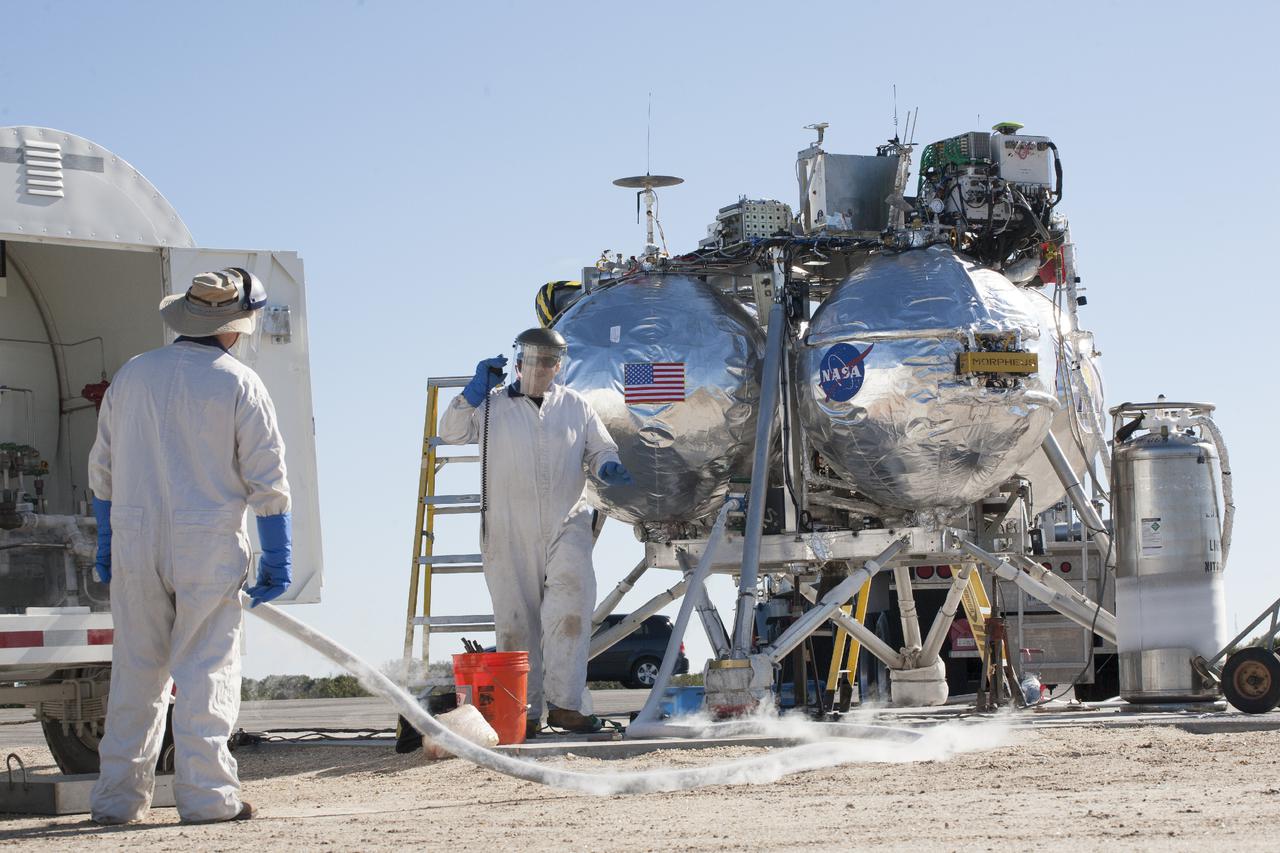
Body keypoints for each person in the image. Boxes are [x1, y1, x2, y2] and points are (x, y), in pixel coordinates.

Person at [88, 268, 293, 825]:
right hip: (207, 542)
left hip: (134, 537)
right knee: (206, 669)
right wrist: (277, 555)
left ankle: (117, 800)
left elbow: (102, 469)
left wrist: (108, 538)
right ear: (239, 324)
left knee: (136, 671)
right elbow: (267, 479)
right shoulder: (238, 382)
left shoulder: (132, 375)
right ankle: (206, 798)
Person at [439, 327, 631, 735]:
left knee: (571, 613)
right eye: (533, 358)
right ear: (518, 361)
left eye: (549, 360)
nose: (540, 367)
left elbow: (601, 448)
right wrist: (470, 394)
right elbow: (452, 432)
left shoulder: (575, 406)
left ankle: (567, 706)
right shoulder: (491, 407)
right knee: (516, 622)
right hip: (507, 530)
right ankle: (521, 711)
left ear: (559, 366)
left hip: (568, 523)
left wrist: (606, 466)